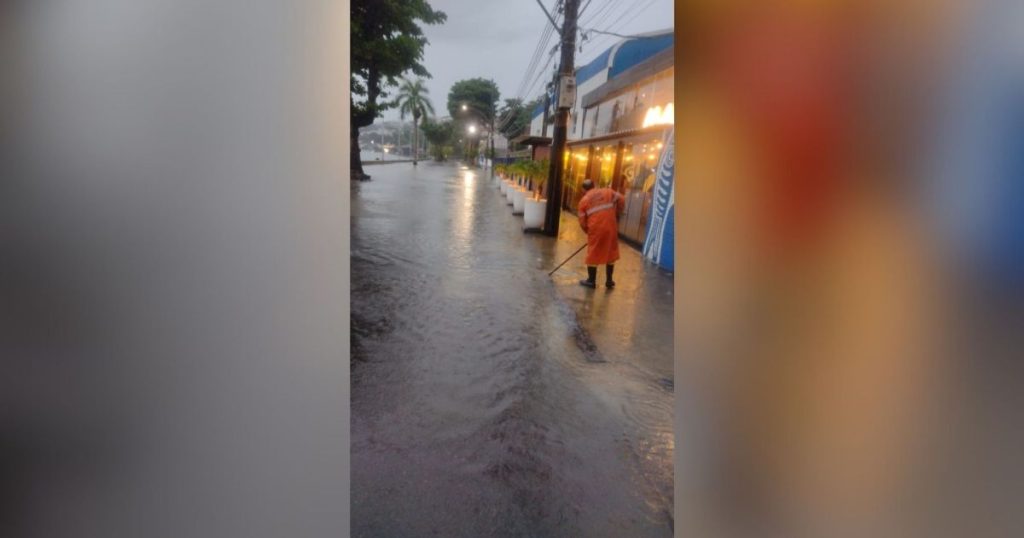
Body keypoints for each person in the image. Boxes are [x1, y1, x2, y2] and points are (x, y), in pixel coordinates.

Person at [577, 178, 625, 288]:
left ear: (583, 190)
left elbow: (582, 221)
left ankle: (591, 281)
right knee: (611, 251)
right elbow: (621, 199)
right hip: (611, 226)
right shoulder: (607, 191)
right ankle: (609, 281)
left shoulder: (584, 201)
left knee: (593, 253)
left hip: (596, 229)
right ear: (594, 185)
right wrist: (617, 213)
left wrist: (589, 232)